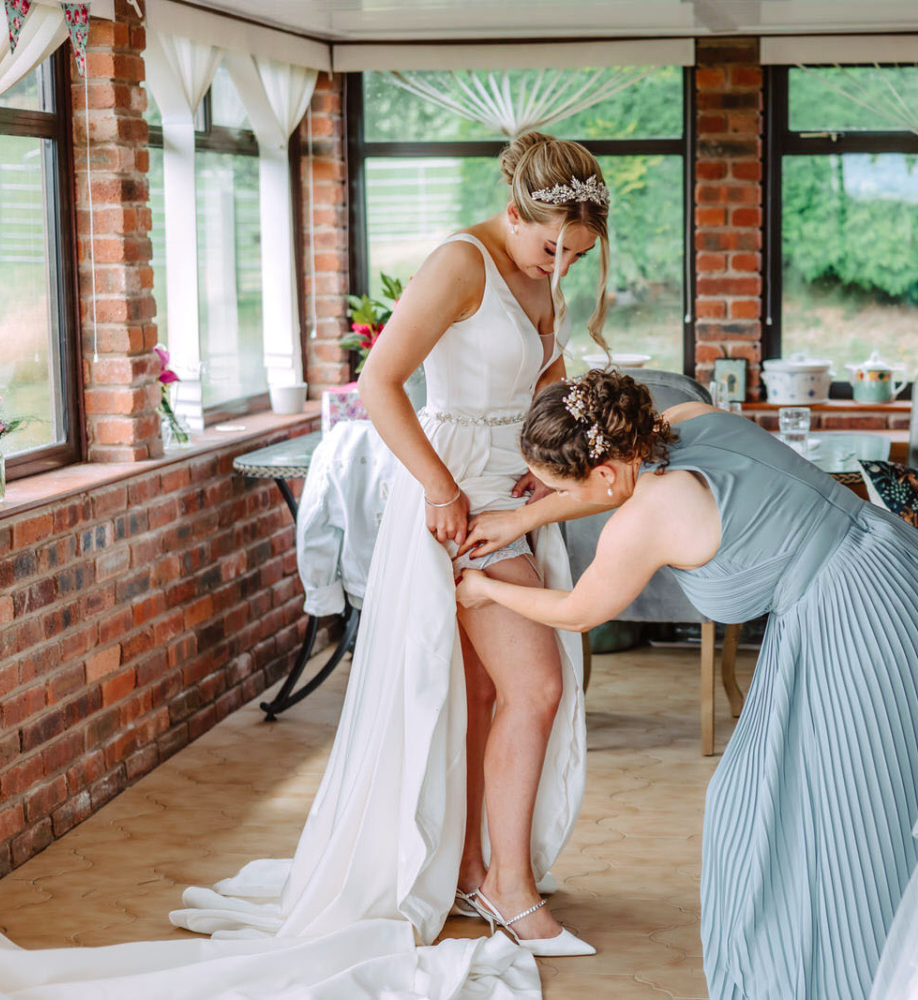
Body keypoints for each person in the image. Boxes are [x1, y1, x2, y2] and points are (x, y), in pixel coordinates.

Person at [168, 131, 613, 957]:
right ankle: (510, 893)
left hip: (504, 487)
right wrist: (442, 488)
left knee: (486, 695)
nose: (561, 267)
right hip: (453, 495)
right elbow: (380, 384)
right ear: (514, 212)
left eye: (577, 257)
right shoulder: (460, 263)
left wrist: (548, 463)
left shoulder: (536, 266)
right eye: (553, 247)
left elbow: (544, 373)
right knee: (537, 687)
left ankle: (480, 871)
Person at [455, 371, 918, 1000]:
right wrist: (522, 519)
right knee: (835, 795)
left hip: (870, 621)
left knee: (860, 806)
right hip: (903, 568)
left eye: (555, 485)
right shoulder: (680, 422)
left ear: (600, 472)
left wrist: (486, 587)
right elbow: (609, 487)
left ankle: (867, 970)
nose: (551, 495)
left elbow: (577, 612)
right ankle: (902, 953)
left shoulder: (648, 515)